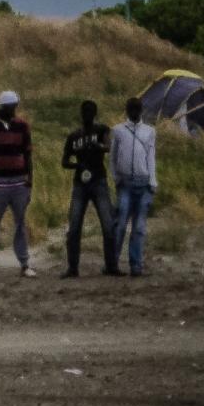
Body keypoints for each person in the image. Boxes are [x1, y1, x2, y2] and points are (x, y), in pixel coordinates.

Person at [0, 90, 35, 279]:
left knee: (20, 223)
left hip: (19, 181)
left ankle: (25, 264)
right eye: (11, 107)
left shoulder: (22, 126)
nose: (13, 110)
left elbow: (28, 153)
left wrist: (29, 180)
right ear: (4, 107)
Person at [60, 100, 119, 278]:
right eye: (85, 111)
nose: (87, 115)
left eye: (90, 112)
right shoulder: (73, 136)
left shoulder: (102, 130)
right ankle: (72, 267)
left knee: (108, 225)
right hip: (80, 183)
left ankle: (111, 265)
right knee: (75, 226)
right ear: (81, 113)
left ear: (94, 113)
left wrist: (98, 146)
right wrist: (76, 166)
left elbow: (109, 147)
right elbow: (64, 161)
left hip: (98, 181)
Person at [110, 96, 158, 277]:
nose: (135, 112)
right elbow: (113, 158)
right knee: (120, 223)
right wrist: (116, 178)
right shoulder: (118, 130)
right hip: (125, 183)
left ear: (141, 110)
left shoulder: (150, 131)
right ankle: (112, 262)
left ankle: (136, 265)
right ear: (127, 110)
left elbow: (151, 157)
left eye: (137, 109)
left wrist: (153, 181)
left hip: (143, 182)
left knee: (139, 227)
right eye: (132, 108)